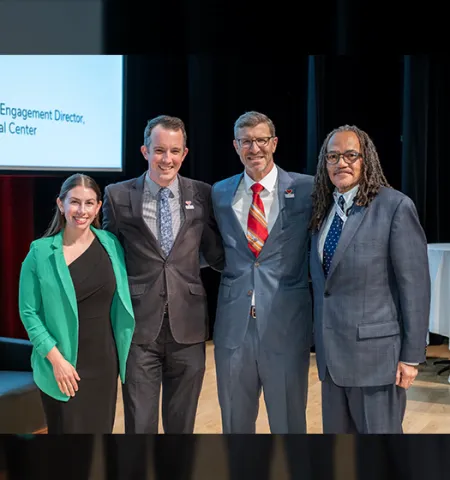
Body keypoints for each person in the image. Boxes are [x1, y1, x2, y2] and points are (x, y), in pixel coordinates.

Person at [102, 114, 224, 434]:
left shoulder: (202, 194)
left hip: (189, 327)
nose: (166, 159)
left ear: (184, 153)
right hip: (140, 330)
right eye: (159, 150)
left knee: (181, 428)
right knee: (139, 427)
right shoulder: (117, 196)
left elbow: (216, 251)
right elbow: (107, 259)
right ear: (145, 151)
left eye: (174, 151)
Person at [309, 124, 430, 433]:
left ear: (367, 160)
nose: (341, 163)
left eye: (351, 155)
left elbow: (414, 288)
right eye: (333, 156)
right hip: (331, 360)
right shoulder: (323, 211)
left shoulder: (395, 207)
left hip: (377, 362)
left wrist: (412, 356)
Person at [211, 111, 314, 433]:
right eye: (246, 142)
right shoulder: (219, 192)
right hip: (234, 326)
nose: (254, 149)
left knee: (288, 421)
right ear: (235, 145)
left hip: (286, 323)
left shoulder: (307, 189)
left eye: (260, 140)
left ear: (274, 143)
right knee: (234, 422)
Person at [18, 173, 135, 434]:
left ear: (98, 207)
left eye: (89, 203)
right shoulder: (39, 252)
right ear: (61, 204)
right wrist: (57, 361)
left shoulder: (111, 245)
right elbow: (28, 313)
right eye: (75, 202)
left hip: (104, 365)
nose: (82, 211)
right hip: (61, 365)